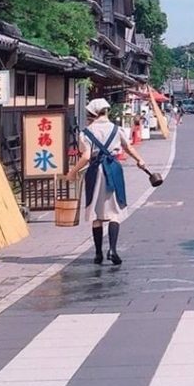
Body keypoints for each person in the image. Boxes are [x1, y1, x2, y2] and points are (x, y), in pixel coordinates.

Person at [67, 98, 148, 266]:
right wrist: (140, 160)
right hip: (113, 169)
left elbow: (86, 156)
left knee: (97, 214)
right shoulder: (117, 130)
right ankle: (112, 249)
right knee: (114, 212)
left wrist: (72, 172)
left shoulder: (86, 132)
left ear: (93, 113)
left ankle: (98, 253)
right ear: (106, 111)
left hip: (95, 171)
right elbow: (128, 147)